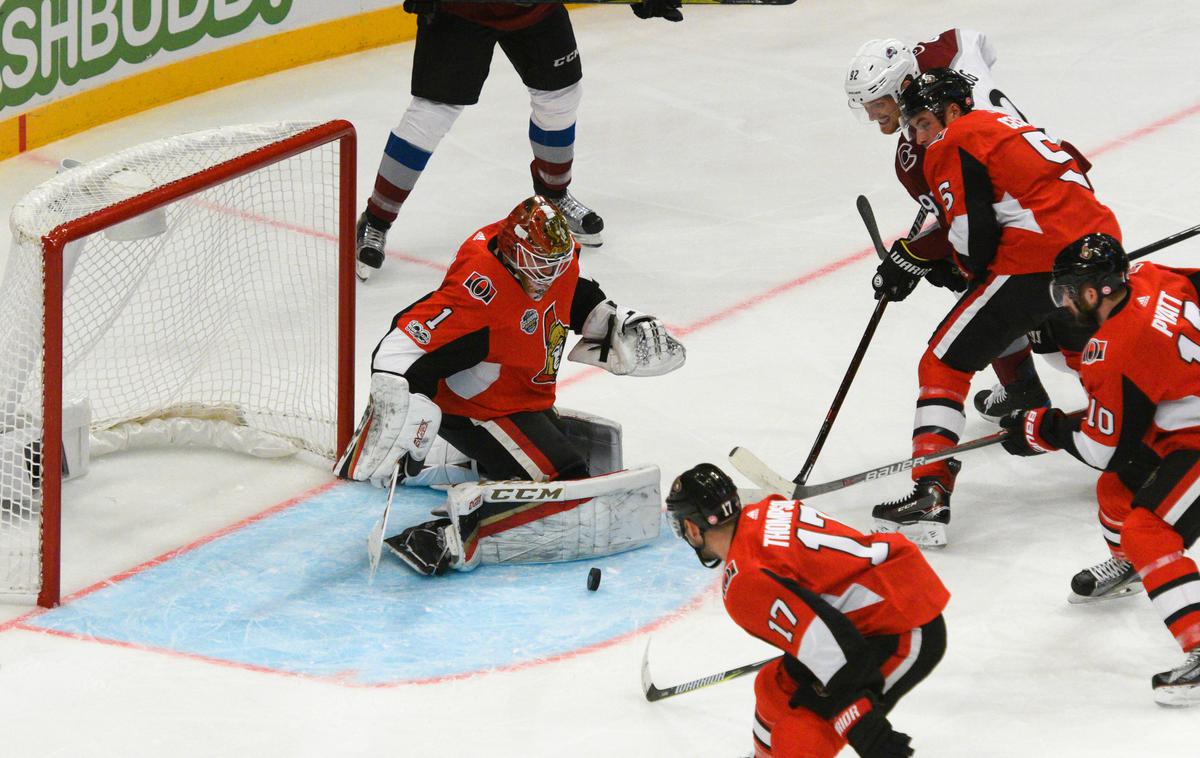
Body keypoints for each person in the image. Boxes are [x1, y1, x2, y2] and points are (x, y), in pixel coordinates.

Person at [336, 195, 685, 574]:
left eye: (557, 263)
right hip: (479, 410)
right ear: (515, 254)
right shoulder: (480, 291)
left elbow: (570, 294)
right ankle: (455, 532)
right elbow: (399, 347)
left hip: (519, 396)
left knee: (575, 454)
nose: (551, 274)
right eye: (541, 265)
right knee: (565, 479)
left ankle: (454, 463)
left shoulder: (549, 261)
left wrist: (615, 323)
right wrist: (396, 408)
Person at [868, 68, 1120, 547]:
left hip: (1037, 261)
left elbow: (973, 244)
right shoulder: (1012, 125)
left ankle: (931, 488)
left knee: (943, 361)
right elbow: (1076, 172)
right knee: (1088, 353)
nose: (921, 137)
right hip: (1098, 254)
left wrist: (944, 263)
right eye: (915, 128)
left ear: (954, 110)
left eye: (923, 122)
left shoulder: (953, 139)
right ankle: (1145, 443)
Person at [844, 31, 1095, 422]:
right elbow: (970, 39)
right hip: (1065, 185)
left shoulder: (922, 153)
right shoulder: (945, 63)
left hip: (1031, 224)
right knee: (1056, 320)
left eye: (879, 105)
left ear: (903, 86)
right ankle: (1115, 394)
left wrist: (916, 256)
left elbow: (970, 226)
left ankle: (1048, 392)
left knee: (986, 285)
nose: (876, 118)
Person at [998, 234, 1200, 706]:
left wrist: (1041, 430)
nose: (1064, 301)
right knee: (1115, 491)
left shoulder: (1113, 350)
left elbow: (1100, 448)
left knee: (1149, 530)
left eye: (1069, 290)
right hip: (1178, 419)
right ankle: (1132, 565)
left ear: (1095, 291)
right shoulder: (1155, 278)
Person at [353, 0, 682, 281]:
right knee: (431, 114)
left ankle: (554, 198)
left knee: (560, 97)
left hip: (535, 10)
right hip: (464, 11)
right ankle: (377, 219)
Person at [666, 463, 948, 757]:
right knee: (773, 687)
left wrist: (866, 728)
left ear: (691, 527)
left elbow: (834, 651)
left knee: (801, 735)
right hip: (884, 599)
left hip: (901, 625)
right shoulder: (766, 510)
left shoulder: (744, 582)